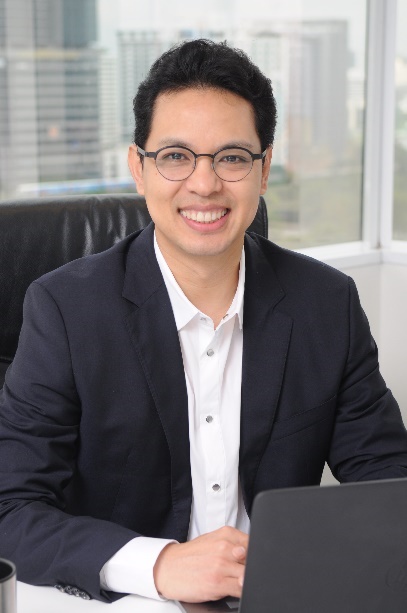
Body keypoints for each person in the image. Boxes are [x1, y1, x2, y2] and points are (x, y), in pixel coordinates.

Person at [1, 38, 407, 605]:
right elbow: (11, 509)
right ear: (138, 169)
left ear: (263, 170)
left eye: (232, 157)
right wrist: (160, 564)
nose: (204, 184)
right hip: (130, 600)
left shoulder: (325, 303)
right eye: (175, 156)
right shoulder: (66, 310)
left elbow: (389, 483)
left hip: (274, 595)